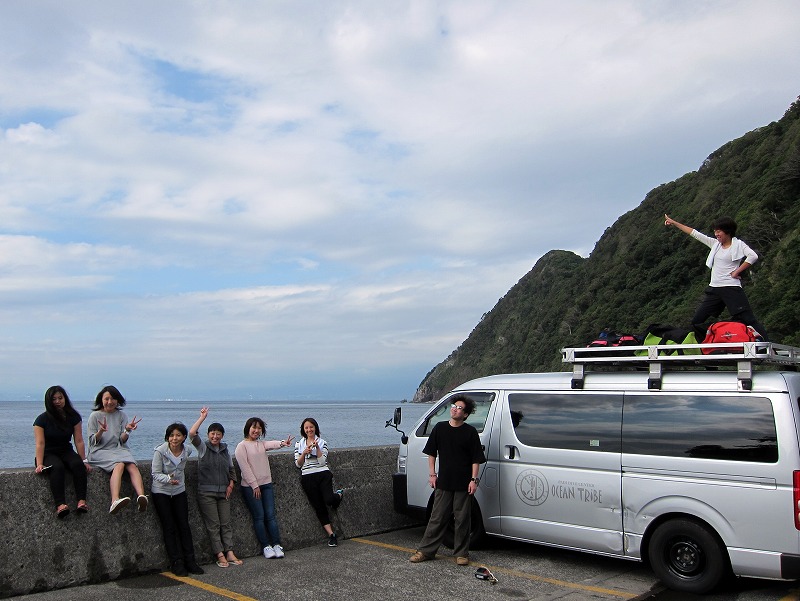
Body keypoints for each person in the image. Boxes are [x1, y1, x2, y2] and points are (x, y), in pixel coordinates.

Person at [409, 394, 486, 566]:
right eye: (454, 406)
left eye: (459, 408)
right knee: (437, 517)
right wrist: (432, 474)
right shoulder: (440, 428)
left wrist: (473, 480)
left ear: (465, 414)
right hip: (444, 481)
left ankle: (461, 554)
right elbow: (431, 453)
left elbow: (476, 459)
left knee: (462, 519)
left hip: (464, 482)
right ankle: (425, 551)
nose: (455, 409)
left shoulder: (470, 432)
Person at [664, 214, 768, 340]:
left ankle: (766, 345)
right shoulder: (715, 244)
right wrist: (675, 223)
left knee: (748, 319)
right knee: (697, 321)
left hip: (731, 287)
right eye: (715, 231)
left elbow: (753, 256)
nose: (716, 234)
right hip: (715, 289)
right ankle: (709, 343)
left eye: (719, 231)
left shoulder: (739, 245)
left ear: (728, 231)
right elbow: (694, 233)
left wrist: (737, 271)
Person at [188, 407, 243, 568]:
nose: (215, 436)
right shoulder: (203, 447)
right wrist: (202, 418)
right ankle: (219, 553)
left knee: (226, 523)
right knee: (214, 525)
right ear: (208, 435)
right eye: (212, 433)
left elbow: (231, 469)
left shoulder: (225, 450)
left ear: (222, 435)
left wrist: (231, 484)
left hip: (224, 492)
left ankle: (229, 551)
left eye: (218, 433)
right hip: (206, 493)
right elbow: (191, 434)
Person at [235, 417, 293, 559]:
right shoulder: (241, 447)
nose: (256, 430)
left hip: (266, 484)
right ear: (247, 428)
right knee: (259, 517)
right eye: (254, 427)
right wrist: (254, 485)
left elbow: (271, 444)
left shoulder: (260, 444)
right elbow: (245, 468)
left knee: (271, 516)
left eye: (259, 428)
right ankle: (266, 546)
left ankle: (277, 544)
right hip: (250, 487)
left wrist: (283, 443)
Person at [151, 422, 204, 576]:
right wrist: (168, 479)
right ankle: (176, 562)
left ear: (183, 437)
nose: (174, 438)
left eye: (178, 435)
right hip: (161, 492)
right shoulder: (160, 451)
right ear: (167, 437)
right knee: (169, 527)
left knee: (184, 526)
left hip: (179, 491)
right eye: (171, 435)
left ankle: (190, 561)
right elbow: (155, 473)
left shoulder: (186, 450)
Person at [86, 385, 148, 514]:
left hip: (117, 449)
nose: (110, 402)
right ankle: (115, 500)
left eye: (113, 398)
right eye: (106, 399)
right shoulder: (94, 416)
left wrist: (127, 430)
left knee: (132, 465)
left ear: (118, 400)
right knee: (119, 464)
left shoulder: (121, 415)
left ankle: (141, 496)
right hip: (99, 451)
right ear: (101, 400)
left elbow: (122, 440)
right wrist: (100, 432)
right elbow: (92, 442)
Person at [33, 385, 90, 517]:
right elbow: (40, 443)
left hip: (65, 450)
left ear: (65, 399)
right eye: (54, 399)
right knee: (57, 467)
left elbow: (79, 440)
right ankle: (60, 505)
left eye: (60, 398)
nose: (58, 401)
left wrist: (84, 460)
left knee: (77, 465)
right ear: (49, 401)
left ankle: (81, 501)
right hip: (48, 453)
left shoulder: (74, 417)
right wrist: (40, 464)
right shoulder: (41, 420)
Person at [294, 418, 344, 547]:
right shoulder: (299, 444)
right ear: (303, 430)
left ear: (315, 428)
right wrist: (304, 453)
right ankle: (331, 535)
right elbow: (298, 465)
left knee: (328, 499)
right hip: (307, 477)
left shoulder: (322, 443)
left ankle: (338, 496)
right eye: (306, 428)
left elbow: (322, 462)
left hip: (322, 474)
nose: (309, 430)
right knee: (319, 506)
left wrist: (317, 449)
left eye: (311, 427)